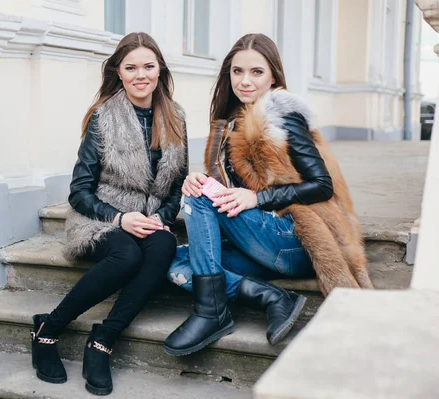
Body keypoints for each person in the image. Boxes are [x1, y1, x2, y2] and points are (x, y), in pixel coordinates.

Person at [164, 33, 372, 356]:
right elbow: (235, 186)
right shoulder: (230, 124)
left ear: (273, 75)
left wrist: (257, 200)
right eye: (237, 72)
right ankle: (271, 297)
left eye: (256, 72)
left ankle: (210, 313)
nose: (245, 81)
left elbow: (321, 184)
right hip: (259, 241)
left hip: (295, 238)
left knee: (200, 199)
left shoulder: (283, 115)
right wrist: (199, 179)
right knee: (173, 260)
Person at [30, 32, 187, 396]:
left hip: (148, 218)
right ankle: (48, 329)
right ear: (118, 72)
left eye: (148, 66)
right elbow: (79, 192)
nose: (140, 75)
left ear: (160, 69)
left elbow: (176, 183)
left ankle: (103, 339)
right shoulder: (103, 117)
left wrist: (163, 216)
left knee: (163, 246)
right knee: (127, 254)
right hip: (101, 219)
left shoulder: (176, 116)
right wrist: (120, 218)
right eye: (131, 67)